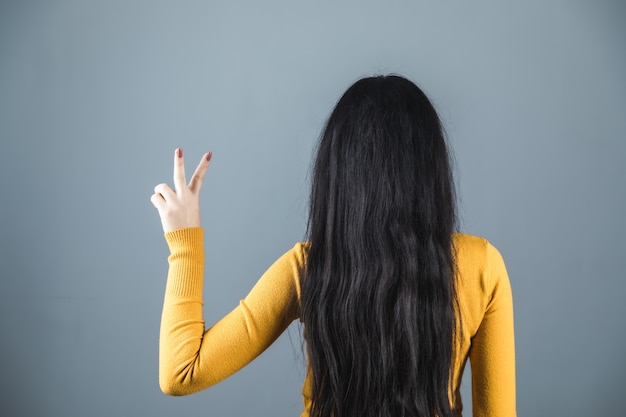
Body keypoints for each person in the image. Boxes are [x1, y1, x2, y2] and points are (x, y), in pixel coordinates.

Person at [150, 75, 516, 417]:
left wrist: (185, 242)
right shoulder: (482, 265)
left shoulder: (306, 269)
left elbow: (181, 373)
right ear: (431, 171)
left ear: (337, 174)